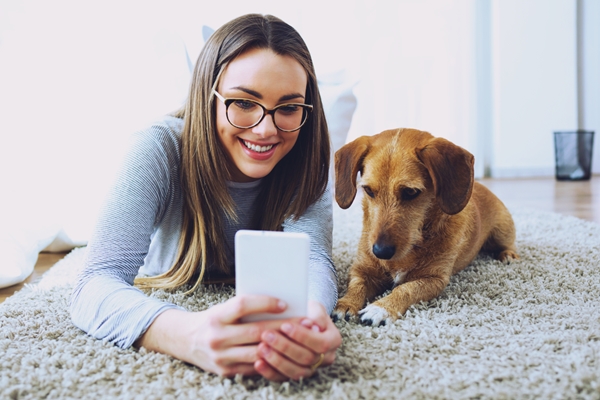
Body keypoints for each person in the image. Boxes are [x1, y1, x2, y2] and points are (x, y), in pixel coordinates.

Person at [69, 13, 342, 382]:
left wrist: (311, 319)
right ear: (208, 97)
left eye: (289, 108)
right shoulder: (157, 148)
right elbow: (94, 283)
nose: (266, 129)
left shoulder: (307, 155)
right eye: (244, 103)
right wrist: (188, 335)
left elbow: (315, 258)